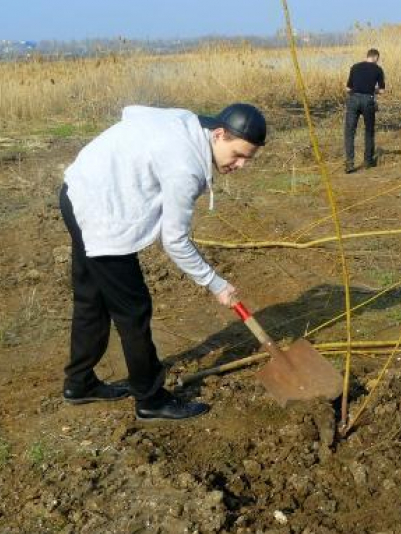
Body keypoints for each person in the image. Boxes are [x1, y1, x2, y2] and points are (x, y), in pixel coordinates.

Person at [60, 103, 266, 421]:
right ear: (220, 134)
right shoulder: (186, 166)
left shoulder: (188, 123)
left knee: (92, 297)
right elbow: (175, 240)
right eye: (238, 155)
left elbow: (133, 111)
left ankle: (80, 383)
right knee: (132, 310)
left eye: (248, 159)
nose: (240, 165)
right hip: (102, 212)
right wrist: (215, 284)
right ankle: (151, 399)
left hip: (77, 191)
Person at [344, 48, 386, 173]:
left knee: (350, 131)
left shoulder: (355, 67)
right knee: (369, 131)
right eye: (377, 59)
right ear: (376, 57)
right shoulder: (378, 69)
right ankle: (368, 161)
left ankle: (349, 163)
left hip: (353, 99)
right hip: (368, 100)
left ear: (367, 56)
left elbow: (347, 88)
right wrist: (373, 90)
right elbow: (382, 90)